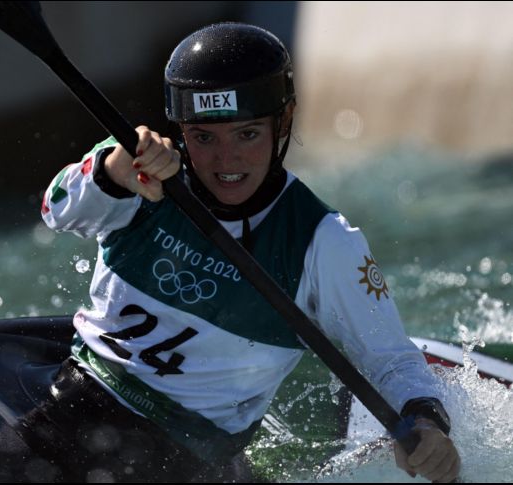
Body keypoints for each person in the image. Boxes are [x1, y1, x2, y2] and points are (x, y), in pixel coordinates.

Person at [37, 22, 460, 482]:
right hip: (79, 397)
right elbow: (55, 211)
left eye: (247, 135)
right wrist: (111, 170)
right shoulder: (141, 169)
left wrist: (424, 420)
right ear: (181, 128)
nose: (226, 161)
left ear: (283, 121)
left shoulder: (323, 241)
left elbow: (391, 358)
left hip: (186, 457)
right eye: (203, 137)